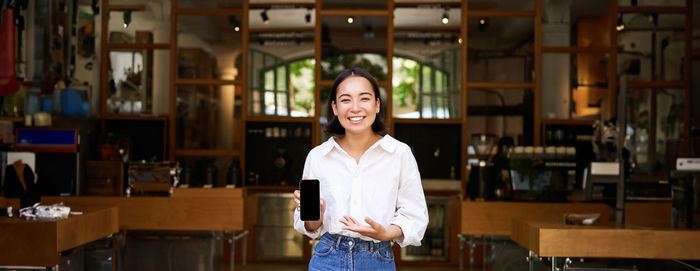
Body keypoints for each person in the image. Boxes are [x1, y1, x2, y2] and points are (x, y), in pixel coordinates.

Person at [293, 67, 429, 271]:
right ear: (335, 108)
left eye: (364, 98)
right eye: (346, 100)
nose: (355, 108)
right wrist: (314, 216)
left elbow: (414, 214)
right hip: (327, 257)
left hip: (377, 258)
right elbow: (310, 227)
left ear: (376, 105)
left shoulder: (399, 153)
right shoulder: (318, 156)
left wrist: (386, 233)